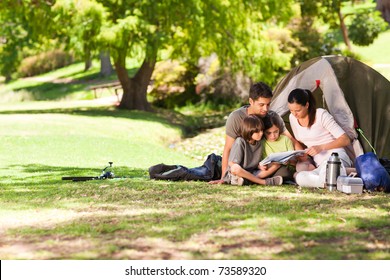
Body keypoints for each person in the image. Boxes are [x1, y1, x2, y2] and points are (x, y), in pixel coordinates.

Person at [210, 81, 301, 184]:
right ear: (251, 101)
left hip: (262, 165)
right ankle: (257, 180)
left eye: (268, 104)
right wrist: (223, 178)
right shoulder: (236, 118)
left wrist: (303, 156)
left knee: (285, 172)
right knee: (211, 170)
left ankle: (246, 179)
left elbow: (291, 139)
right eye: (261, 105)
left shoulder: (273, 116)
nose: (265, 109)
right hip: (243, 162)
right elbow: (228, 149)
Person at [287, 88, 352, 188]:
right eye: (291, 110)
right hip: (319, 165)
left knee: (323, 171)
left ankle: (332, 177)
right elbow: (301, 141)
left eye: (298, 110)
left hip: (335, 157)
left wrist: (321, 147)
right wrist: (303, 155)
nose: (294, 114)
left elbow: (345, 139)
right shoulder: (292, 118)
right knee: (300, 175)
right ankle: (333, 179)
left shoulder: (321, 115)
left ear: (307, 105)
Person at [223, 115, 283, 186]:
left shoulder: (259, 142)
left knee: (276, 165)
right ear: (249, 131)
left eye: (261, 130)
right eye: (257, 132)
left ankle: (246, 181)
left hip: (251, 172)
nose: (261, 133)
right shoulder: (240, 141)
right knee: (236, 168)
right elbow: (231, 163)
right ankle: (263, 182)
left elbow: (253, 163)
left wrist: (259, 166)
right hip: (236, 173)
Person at [258, 114, 295, 181]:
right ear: (263, 132)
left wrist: (288, 161)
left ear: (279, 130)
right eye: (268, 133)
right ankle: (272, 178)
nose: (273, 136)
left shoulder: (285, 139)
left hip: (284, 167)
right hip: (269, 168)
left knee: (285, 172)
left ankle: (269, 179)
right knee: (264, 170)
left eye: (276, 132)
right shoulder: (262, 142)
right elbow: (262, 161)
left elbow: (293, 160)